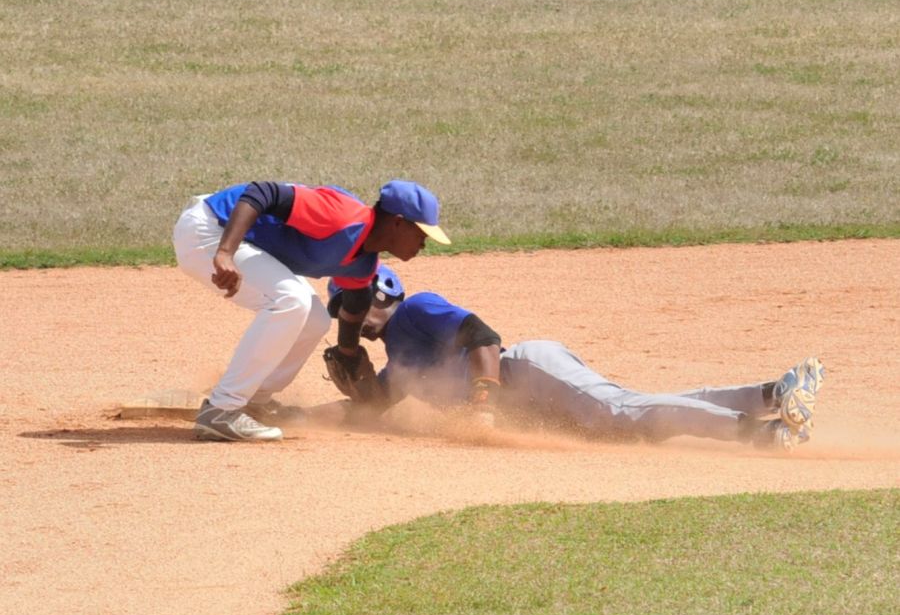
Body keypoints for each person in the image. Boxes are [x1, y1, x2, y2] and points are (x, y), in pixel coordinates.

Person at [325, 266, 825, 451]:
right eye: (342, 310)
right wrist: (299, 412)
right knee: (633, 415)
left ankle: (761, 433)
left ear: (384, 290)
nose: (349, 316)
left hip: (530, 371)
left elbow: (484, 335)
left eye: (353, 302)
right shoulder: (399, 363)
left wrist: (482, 398)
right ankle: (770, 396)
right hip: (537, 394)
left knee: (626, 414)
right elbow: (371, 409)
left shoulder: (416, 310)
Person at [172, 179, 450, 441]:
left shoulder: (363, 263)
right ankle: (221, 409)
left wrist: (348, 355)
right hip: (210, 229)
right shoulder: (342, 216)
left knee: (315, 319)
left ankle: (254, 401)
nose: (424, 243)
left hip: (236, 241)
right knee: (291, 300)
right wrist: (225, 253)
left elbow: (355, 304)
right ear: (398, 223)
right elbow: (261, 193)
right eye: (421, 233)